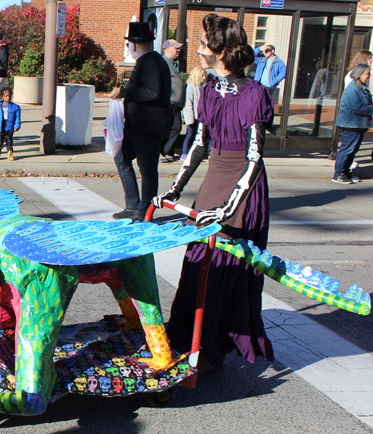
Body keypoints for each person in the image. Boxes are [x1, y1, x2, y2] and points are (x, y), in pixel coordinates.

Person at [153, 13, 274, 371]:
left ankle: (211, 347)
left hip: (242, 188)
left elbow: (254, 158)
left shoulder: (255, 94)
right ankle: (185, 337)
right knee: (197, 260)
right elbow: (199, 145)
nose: (199, 50)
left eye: (204, 45)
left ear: (220, 52)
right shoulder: (207, 90)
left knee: (226, 265)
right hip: (214, 180)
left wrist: (226, 209)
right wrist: (172, 190)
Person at [108, 22, 171, 221]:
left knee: (148, 170)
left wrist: (124, 92)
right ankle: (133, 205)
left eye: (129, 45)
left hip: (148, 126)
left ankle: (145, 212)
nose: (129, 49)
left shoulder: (151, 61)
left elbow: (153, 92)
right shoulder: (147, 61)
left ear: (134, 45)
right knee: (121, 157)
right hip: (136, 126)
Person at [333, 64, 373, 184]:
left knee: (353, 150)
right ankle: (338, 173)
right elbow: (357, 107)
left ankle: (346, 171)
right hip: (350, 125)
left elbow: (369, 102)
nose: (369, 76)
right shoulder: (353, 89)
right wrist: (370, 108)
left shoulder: (363, 88)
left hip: (359, 124)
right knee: (346, 149)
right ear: (359, 74)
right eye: (367, 73)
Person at [161, 39, 186, 162]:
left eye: (179, 48)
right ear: (167, 49)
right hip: (167, 101)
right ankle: (161, 151)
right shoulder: (163, 62)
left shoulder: (177, 64)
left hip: (176, 103)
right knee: (163, 128)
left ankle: (167, 150)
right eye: (176, 47)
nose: (178, 50)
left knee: (176, 127)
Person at [181, 65, 206, 161]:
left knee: (197, 134)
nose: (204, 78)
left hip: (200, 115)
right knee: (190, 134)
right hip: (192, 115)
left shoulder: (202, 86)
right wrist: (189, 118)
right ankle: (184, 153)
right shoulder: (191, 86)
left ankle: (194, 152)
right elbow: (188, 103)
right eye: (202, 75)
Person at [0, 87, 21, 161]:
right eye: (6, 96)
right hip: (1, 125)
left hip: (10, 125)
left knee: (9, 140)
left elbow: (17, 118)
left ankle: (10, 153)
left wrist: (17, 126)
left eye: (9, 96)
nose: (8, 97)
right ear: (2, 97)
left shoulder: (16, 107)